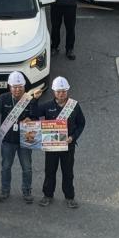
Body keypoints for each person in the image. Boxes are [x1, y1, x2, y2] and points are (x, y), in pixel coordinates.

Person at [0, 71, 42, 203]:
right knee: (6, 166)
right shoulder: (4, 98)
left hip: (25, 139)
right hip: (8, 140)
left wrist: (31, 117)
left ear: (24, 87)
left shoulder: (29, 99)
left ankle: (27, 191)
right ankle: (5, 191)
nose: (17, 89)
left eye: (20, 87)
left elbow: (36, 116)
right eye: (14, 87)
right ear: (10, 87)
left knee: (27, 167)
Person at [37, 77, 86, 209]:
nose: (61, 94)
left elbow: (81, 123)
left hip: (68, 146)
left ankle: (70, 197)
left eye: (64, 91)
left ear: (67, 91)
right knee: (49, 172)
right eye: (58, 91)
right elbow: (33, 113)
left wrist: (73, 137)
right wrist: (35, 99)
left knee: (68, 172)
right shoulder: (47, 106)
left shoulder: (74, 106)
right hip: (51, 147)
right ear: (54, 92)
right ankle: (47, 195)